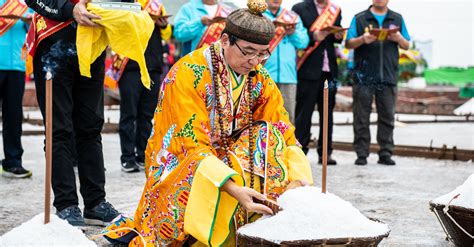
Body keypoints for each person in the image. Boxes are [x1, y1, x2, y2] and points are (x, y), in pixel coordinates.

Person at [103, 1, 313, 246]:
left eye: (263, 53)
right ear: (224, 41)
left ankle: (249, 220)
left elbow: (283, 130)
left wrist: (299, 182)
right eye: (247, 51)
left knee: (271, 137)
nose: (255, 61)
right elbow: (190, 145)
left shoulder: (260, 78)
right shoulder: (188, 73)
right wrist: (233, 188)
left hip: (231, 157)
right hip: (185, 160)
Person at [25, 0, 120, 226]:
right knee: (59, 129)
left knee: (91, 127)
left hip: (93, 44)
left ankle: (96, 202)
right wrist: (70, 9)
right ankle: (66, 204)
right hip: (54, 42)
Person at [345, 0, 410, 166]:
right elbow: (348, 43)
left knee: (388, 117)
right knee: (361, 117)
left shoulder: (397, 18)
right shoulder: (359, 19)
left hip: (388, 77)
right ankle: (361, 154)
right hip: (363, 77)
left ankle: (386, 152)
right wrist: (362, 39)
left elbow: (407, 45)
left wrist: (398, 37)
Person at [117, 2, 172, 173]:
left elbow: (167, 35)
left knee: (147, 115)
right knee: (129, 114)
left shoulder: (155, 5)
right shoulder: (122, 4)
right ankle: (127, 157)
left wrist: (163, 25)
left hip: (153, 67)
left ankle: (143, 155)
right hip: (130, 68)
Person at [292, 0, 344, 165]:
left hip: (329, 69)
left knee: (327, 114)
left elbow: (334, 40)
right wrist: (313, 35)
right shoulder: (299, 8)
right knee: (304, 114)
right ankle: (301, 152)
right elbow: (298, 36)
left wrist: (338, 36)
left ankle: (325, 153)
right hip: (307, 69)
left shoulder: (335, 10)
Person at [0, 0, 33, 178]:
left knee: (13, 115)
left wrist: (29, 22)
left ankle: (12, 162)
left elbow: (34, 29)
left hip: (17, 66)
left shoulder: (25, 2)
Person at [263, 0, 309, 123]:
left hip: (288, 76)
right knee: (262, 116)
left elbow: (304, 42)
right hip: (262, 74)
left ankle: (287, 142)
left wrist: (292, 33)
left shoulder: (292, 17)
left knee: (287, 118)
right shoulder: (258, 15)